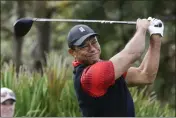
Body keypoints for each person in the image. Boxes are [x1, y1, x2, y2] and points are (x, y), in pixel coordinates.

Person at [67, 17, 164, 117]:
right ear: (72, 52)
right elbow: (134, 53)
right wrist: (141, 28)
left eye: (94, 42)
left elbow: (145, 76)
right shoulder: (88, 78)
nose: (92, 48)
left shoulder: (107, 70)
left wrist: (156, 36)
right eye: (84, 46)